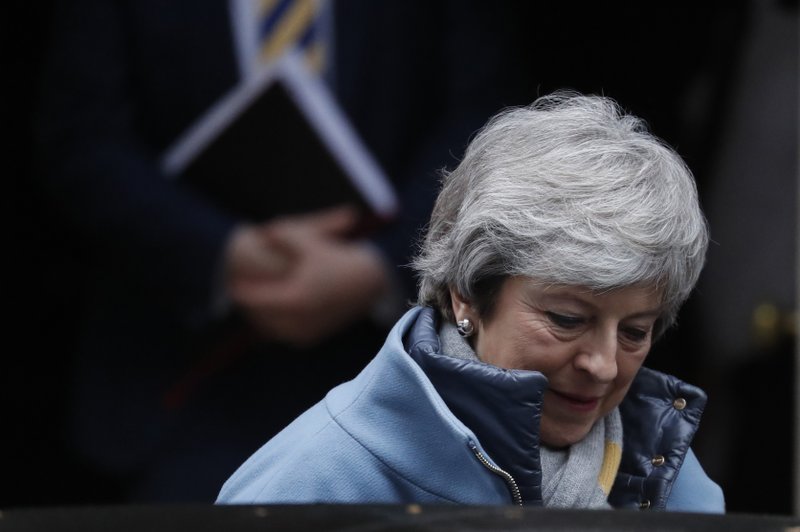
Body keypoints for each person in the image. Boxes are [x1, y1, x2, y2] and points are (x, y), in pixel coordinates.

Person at [33, 0, 532, 501]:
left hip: (402, 377)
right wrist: (223, 253)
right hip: (178, 382)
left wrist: (380, 265)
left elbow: (486, 117)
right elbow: (81, 133)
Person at [216, 92, 725, 511]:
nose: (604, 365)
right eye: (568, 320)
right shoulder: (309, 485)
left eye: (636, 331)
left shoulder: (674, 482)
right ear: (467, 295)